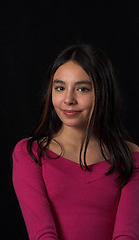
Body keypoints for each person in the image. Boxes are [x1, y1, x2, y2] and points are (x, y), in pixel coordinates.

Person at [12, 44, 139, 240]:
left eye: (82, 89)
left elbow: (127, 235)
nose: (68, 99)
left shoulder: (131, 157)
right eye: (60, 88)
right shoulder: (30, 153)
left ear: (102, 92)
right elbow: (42, 235)